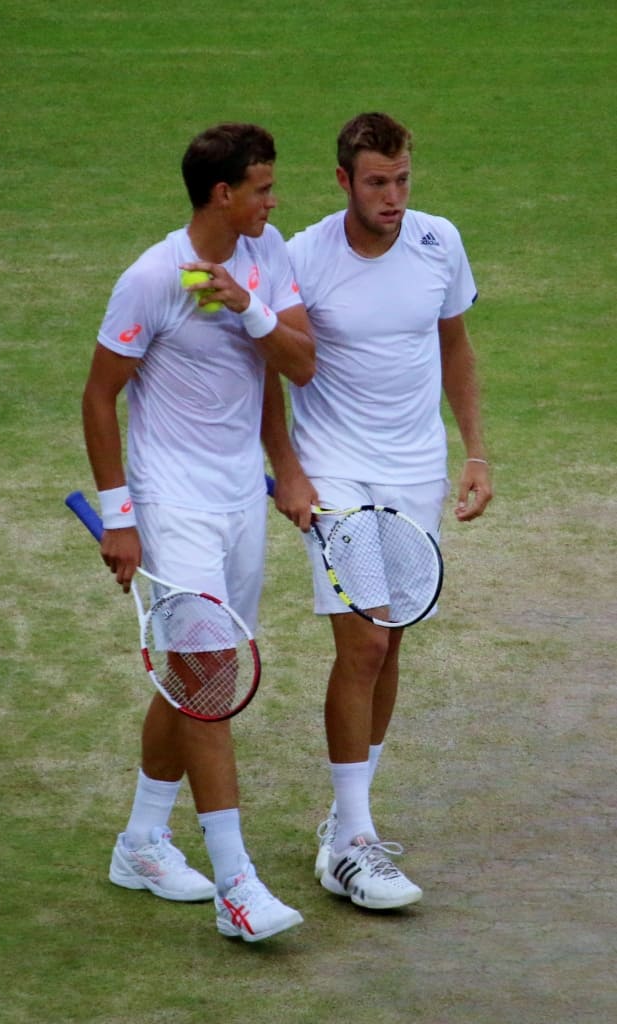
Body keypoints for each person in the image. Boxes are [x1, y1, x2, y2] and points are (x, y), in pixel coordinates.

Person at [80, 122, 315, 942]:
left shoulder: (266, 251)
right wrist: (122, 519)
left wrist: (244, 305)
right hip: (171, 502)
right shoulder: (149, 278)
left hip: (236, 501)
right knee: (211, 678)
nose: (272, 201)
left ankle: (142, 842)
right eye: (261, 188)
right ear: (224, 194)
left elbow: (295, 363)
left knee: (192, 679)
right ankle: (237, 885)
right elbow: (98, 395)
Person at [262, 111, 493, 912]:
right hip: (334, 470)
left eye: (401, 179)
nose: (392, 197)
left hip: (415, 467)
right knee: (361, 640)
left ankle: (343, 822)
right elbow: (271, 364)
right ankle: (354, 844)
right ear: (343, 182)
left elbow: (453, 344)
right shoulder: (304, 256)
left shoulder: (437, 241)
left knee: (388, 640)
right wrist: (287, 470)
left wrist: (475, 451)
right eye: (375, 182)